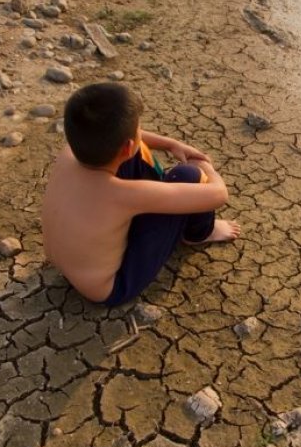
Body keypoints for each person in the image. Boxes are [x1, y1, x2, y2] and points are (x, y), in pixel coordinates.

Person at [41, 82, 240, 306]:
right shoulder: (124, 195)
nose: (140, 133)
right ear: (127, 145)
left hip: (66, 264)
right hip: (112, 287)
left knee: (131, 153)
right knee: (188, 175)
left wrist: (171, 144)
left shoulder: (69, 153)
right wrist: (206, 167)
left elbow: (128, 139)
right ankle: (200, 233)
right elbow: (218, 194)